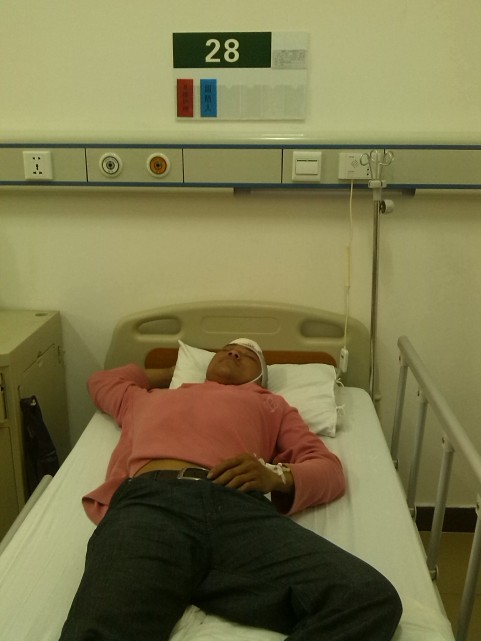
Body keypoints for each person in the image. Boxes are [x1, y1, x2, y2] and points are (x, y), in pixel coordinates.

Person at [59, 338, 402, 641]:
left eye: (249, 356)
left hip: (238, 509)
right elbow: (101, 381)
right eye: (226, 350)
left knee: (366, 598)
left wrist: (277, 476)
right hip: (153, 504)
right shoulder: (147, 399)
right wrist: (176, 371)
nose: (235, 352)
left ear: (261, 378)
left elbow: (328, 469)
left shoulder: (272, 406)